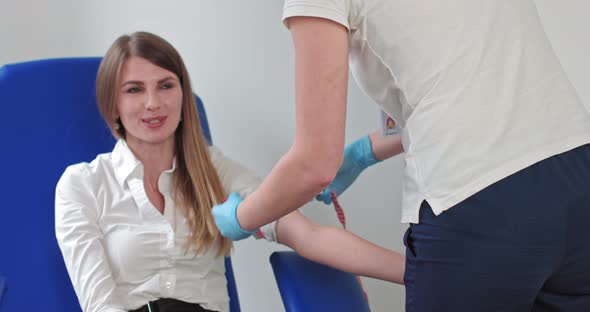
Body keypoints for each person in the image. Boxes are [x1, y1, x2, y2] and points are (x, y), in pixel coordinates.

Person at [212, 1, 590, 311]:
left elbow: (314, 165)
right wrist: (363, 154)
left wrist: (241, 219)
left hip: (475, 198)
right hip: (577, 173)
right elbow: (466, 75)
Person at [54, 31, 404, 312]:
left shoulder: (215, 171)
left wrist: (417, 273)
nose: (153, 103)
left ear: (182, 94)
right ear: (111, 103)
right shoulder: (82, 184)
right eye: (134, 90)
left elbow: (308, 236)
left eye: (165, 85)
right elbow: (99, 304)